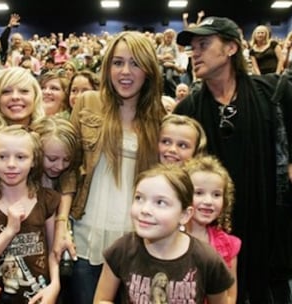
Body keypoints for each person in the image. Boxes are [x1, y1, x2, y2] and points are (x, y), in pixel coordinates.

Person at [174, 16, 292, 303]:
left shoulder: (276, 93)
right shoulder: (187, 111)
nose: (194, 53)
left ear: (231, 48)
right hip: (217, 247)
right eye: (192, 48)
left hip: (273, 242)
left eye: (203, 44)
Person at [62, 31, 166, 304]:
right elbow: (68, 169)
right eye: (117, 63)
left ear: (149, 70)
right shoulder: (88, 102)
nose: (125, 72)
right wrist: (62, 224)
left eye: (135, 63)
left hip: (137, 240)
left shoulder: (161, 119)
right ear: (107, 67)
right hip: (86, 236)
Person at [93, 164, 234, 303]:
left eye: (160, 202)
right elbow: (102, 299)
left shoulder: (207, 259)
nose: (145, 209)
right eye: (139, 198)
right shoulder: (121, 249)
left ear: (185, 215)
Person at [0, 125, 61, 304]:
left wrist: (54, 285)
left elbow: (54, 253)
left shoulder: (47, 200)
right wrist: (9, 231)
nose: (11, 164)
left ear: (33, 161)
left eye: (21, 157)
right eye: (2, 156)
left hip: (41, 296)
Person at [184, 155, 241, 304]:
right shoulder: (167, 238)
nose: (208, 201)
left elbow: (230, 297)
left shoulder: (229, 245)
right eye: (199, 193)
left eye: (216, 194)